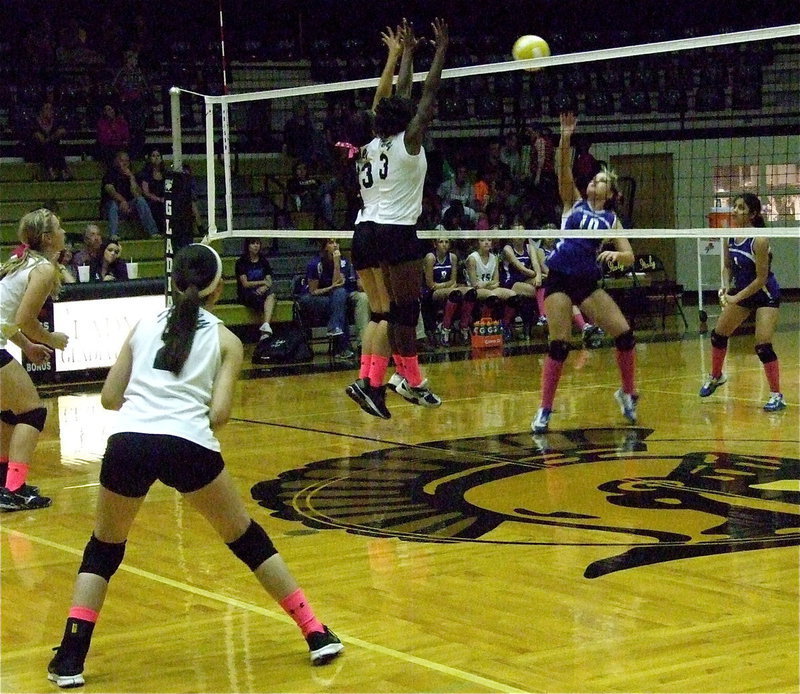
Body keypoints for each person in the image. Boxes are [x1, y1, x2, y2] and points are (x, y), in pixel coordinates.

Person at [46, 244, 343, 688]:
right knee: (246, 539)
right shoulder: (227, 340)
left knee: (104, 548)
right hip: (189, 443)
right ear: (219, 289)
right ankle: (315, 631)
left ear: (174, 282)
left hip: (130, 442)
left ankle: (71, 658)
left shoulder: (143, 325)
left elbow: (108, 398)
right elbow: (218, 415)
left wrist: (149, 412)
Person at [355, 18, 449, 410]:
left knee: (391, 312)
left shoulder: (371, 144)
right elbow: (427, 93)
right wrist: (440, 51)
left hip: (368, 229)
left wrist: (407, 53)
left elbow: (402, 94)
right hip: (396, 230)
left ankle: (384, 381)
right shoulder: (408, 142)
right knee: (406, 312)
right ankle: (408, 380)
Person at [531, 112, 638, 435]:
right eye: (593, 179)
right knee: (560, 345)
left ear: (611, 193)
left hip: (587, 282)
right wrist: (565, 138)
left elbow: (629, 256)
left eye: (601, 181)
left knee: (625, 335)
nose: (594, 182)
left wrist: (617, 254)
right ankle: (544, 410)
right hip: (560, 278)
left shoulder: (612, 221)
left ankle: (627, 393)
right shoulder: (573, 203)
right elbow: (563, 169)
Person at [343, 21, 413, 419]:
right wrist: (398, 57)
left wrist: (393, 56)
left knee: (377, 312)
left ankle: (364, 378)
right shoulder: (388, 146)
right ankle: (373, 385)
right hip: (382, 228)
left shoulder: (363, 150)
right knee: (390, 314)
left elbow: (380, 98)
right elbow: (385, 99)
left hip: (360, 230)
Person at [0, 209, 70, 511]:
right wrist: (50, 338)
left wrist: (27, 345)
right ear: (48, 238)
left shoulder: (22, 261)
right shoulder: (42, 269)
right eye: (59, 227)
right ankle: (13, 489)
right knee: (32, 413)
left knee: (8, 413)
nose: (64, 232)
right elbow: (24, 319)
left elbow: (6, 319)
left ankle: (5, 484)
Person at [699, 193, 785, 412]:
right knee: (718, 335)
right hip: (743, 292)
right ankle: (716, 376)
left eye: (740, 208)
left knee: (763, 346)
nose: (735, 211)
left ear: (753, 214)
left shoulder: (759, 240)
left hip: (765, 294)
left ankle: (777, 395)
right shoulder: (730, 236)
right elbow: (728, 267)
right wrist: (725, 287)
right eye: (735, 206)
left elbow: (761, 279)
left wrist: (735, 298)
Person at [297, 238, 357, 362]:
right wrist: (331, 287)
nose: (335, 245)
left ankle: (337, 335)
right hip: (312, 298)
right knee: (339, 304)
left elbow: (338, 284)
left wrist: (336, 264)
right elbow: (314, 291)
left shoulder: (343, 262)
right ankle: (341, 345)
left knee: (340, 295)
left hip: (332, 297)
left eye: (337, 242)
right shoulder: (315, 264)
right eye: (331, 243)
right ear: (325, 246)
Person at [422, 237, 476, 346]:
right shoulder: (431, 257)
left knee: (471, 292)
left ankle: (463, 326)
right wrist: (446, 285)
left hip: (447, 288)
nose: (444, 244)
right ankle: (445, 328)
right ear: (435, 244)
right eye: (441, 242)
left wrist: (443, 285)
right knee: (455, 294)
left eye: (446, 242)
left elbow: (453, 280)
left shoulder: (452, 257)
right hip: (432, 292)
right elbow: (430, 284)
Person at [100, 151, 161, 240]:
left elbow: (137, 194)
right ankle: (113, 235)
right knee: (113, 204)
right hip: (112, 209)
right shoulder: (110, 174)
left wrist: (132, 178)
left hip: (128, 208)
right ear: (116, 161)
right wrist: (122, 201)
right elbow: (111, 191)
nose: (124, 163)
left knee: (140, 200)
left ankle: (153, 232)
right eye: (122, 160)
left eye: (127, 161)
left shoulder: (132, 175)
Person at [235, 237, 276, 339]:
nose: (256, 246)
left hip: (262, 291)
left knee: (271, 295)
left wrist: (265, 287)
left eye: (258, 243)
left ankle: (266, 326)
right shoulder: (241, 262)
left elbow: (269, 280)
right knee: (261, 302)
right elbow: (245, 284)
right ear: (248, 246)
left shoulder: (263, 260)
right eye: (253, 243)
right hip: (246, 293)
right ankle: (264, 333)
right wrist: (263, 282)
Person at [28, 102, 72, 181]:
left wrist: (58, 134)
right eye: (47, 109)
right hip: (38, 150)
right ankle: (55, 170)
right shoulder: (35, 122)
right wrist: (53, 137)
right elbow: (40, 139)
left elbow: (62, 131)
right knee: (49, 147)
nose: (50, 111)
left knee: (54, 148)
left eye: (51, 109)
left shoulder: (55, 122)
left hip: (53, 149)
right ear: (41, 111)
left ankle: (60, 171)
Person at [137, 148, 167, 234]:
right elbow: (146, 192)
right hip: (151, 200)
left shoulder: (165, 173)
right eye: (153, 156)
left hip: (164, 198)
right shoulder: (146, 174)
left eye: (158, 156)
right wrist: (158, 199)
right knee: (156, 207)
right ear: (150, 158)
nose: (156, 158)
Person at [95, 104, 130, 168]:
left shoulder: (121, 122)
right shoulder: (101, 123)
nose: (111, 111)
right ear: (104, 112)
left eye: (111, 109)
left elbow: (125, 135)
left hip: (120, 146)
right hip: (108, 147)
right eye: (108, 110)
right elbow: (103, 138)